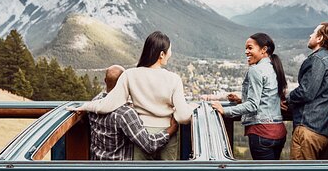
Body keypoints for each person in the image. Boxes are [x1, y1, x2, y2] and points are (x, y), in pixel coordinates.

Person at [78, 31, 198, 160]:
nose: (171, 54)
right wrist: (192, 107)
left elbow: (109, 104)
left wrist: (86, 106)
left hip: (141, 133)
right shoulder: (173, 79)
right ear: (162, 54)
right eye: (170, 50)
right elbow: (183, 117)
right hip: (168, 129)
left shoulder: (130, 75)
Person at [211, 33, 287, 160]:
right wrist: (241, 100)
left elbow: (252, 105)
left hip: (261, 132)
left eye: (250, 48)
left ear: (264, 49)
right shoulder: (274, 67)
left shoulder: (255, 70)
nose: (246, 52)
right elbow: (267, 97)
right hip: (279, 131)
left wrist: (225, 110)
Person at [84, 65, 178, 161]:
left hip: (97, 164)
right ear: (125, 83)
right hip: (120, 169)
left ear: (105, 80)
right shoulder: (125, 114)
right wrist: (170, 130)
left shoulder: (95, 102)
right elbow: (149, 145)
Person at [284, 22, 328, 162]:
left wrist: (288, 98)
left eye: (314, 32)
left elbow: (306, 92)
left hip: (308, 130)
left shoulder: (317, 60)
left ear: (320, 38)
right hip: (324, 131)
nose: (310, 35)